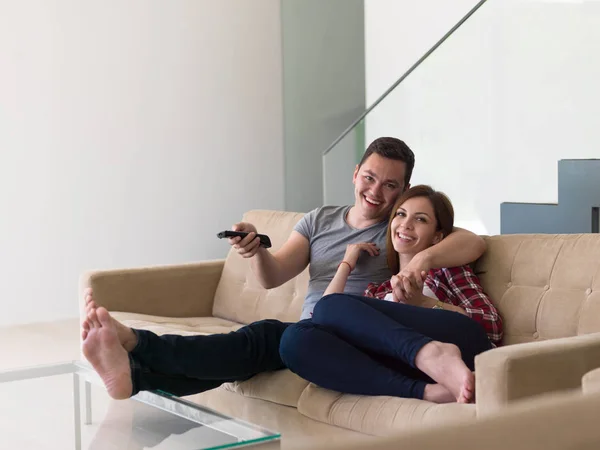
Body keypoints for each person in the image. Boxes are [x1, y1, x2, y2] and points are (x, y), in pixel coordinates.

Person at [81, 137, 487, 400]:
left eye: (391, 186)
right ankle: (137, 373)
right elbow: (273, 276)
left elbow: (471, 241)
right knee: (250, 352)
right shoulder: (320, 220)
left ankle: (138, 347)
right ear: (355, 175)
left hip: (361, 330)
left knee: (261, 339)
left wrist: (422, 259)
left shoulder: (399, 228)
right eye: (369, 178)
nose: (376, 192)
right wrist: (255, 249)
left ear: (404, 191)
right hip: (316, 328)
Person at [279, 185, 502, 403]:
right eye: (401, 215)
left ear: (437, 236)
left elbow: (490, 326)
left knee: (329, 306)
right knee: (294, 340)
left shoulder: (447, 269)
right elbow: (320, 317)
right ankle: (423, 391)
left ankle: (432, 353)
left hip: (462, 344)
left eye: (420, 219)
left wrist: (423, 302)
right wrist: (347, 263)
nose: (406, 224)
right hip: (409, 368)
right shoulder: (379, 290)